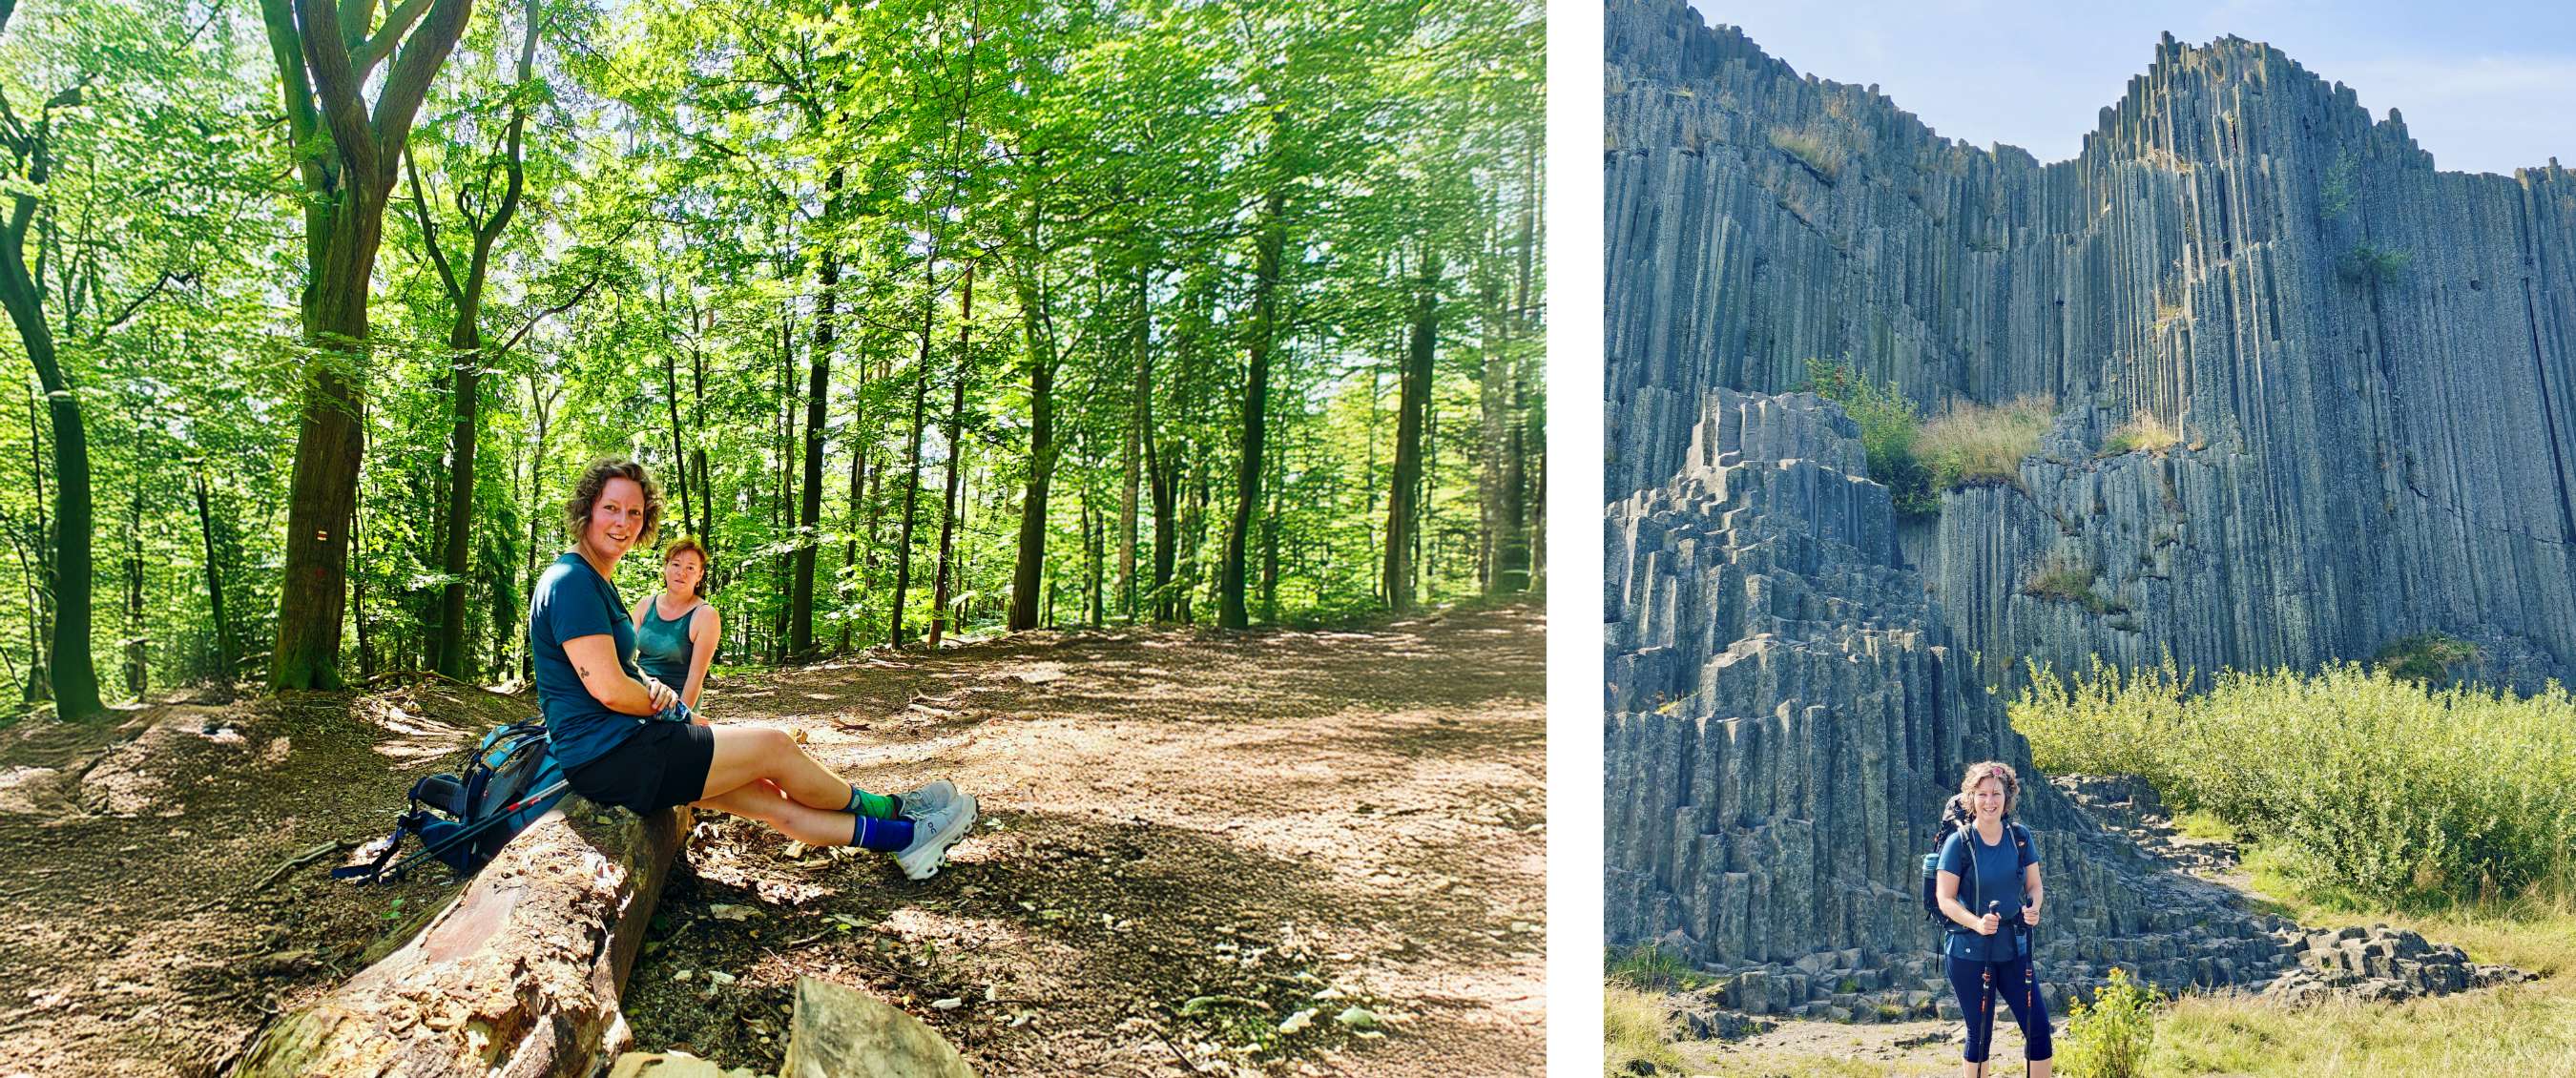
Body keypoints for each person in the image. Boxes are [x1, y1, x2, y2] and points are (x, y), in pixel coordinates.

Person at [529, 457, 976, 880]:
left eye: (635, 512)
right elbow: (607, 688)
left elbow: (621, 672)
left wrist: (675, 709)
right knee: (774, 748)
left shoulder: (592, 579)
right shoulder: (572, 582)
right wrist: (665, 710)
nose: (623, 522)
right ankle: (894, 809)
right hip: (615, 755)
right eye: (611, 508)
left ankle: (906, 837)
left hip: (618, 749)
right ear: (587, 509)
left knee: (765, 797)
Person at [1934, 760, 2051, 1078]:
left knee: (2038, 1029)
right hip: (1969, 952)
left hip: (2014, 948)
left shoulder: (2020, 838)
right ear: (1971, 798)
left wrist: (2034, 908)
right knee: (1980, 1035)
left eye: (1996, 793)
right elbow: (1944, 899)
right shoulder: (1958, 843)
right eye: (1983, 794)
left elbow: (2034, 886)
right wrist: (1976, 923)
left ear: (2007, 796)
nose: (1990, 801)